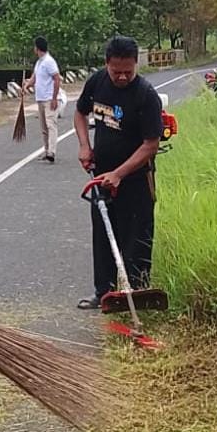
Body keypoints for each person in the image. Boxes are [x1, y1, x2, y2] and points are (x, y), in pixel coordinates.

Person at [73, 36, 163, 310]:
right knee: (103, 234)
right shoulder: (97, 82)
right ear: (107, 64)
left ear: (136, 64)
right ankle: (105, 293)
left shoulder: (146, 95)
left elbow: (151, 144)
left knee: (136, 237)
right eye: (116, 71)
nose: (122, 77)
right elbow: (79, 113)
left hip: (135, 179)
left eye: (128, 71)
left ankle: (137, 293)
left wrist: (120, 173)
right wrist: (84, 146)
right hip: (101, 177)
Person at [22, 35, 61, 163]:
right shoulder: (39, 62)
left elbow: (57, 78)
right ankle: (46, 149)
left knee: (51, 125)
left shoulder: (49, 61)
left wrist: (54, 98)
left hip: (49, 98)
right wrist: (27, 86)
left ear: (37, 48)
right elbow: (35, 78)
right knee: (44, 127)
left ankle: (52, 152)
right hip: (40, 98)